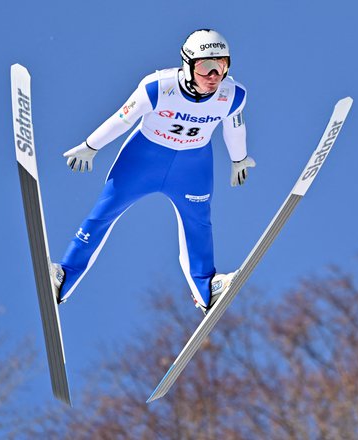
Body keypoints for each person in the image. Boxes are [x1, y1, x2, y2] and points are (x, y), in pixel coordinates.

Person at [51, 29, 255, 314]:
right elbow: (123, 118)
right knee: (102, 213)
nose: (214, 76)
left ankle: (207, 288)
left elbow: (235, 129)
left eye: (221, 66)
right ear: (188, 65)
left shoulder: (233, 95)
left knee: (198, 224)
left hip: (192, 166)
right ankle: (65, 276)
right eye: (206, 67)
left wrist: (239, 159)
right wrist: (90, 146)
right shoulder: (158, 86)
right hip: (143, 160)